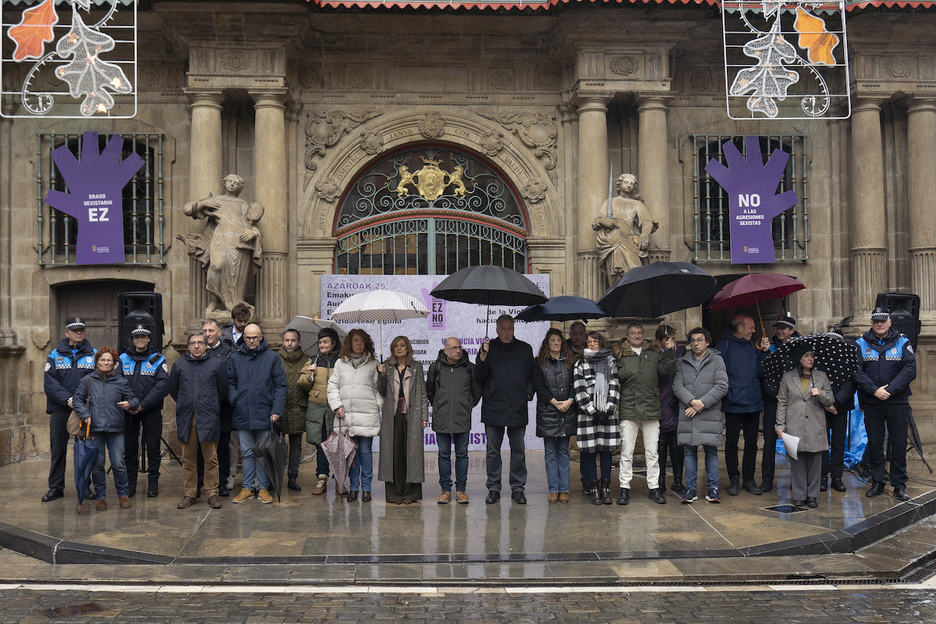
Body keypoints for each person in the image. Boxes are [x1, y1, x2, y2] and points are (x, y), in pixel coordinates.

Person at [855, 307, 917, 501]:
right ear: (871, 323)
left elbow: (910, 369)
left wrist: (889, 390)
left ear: (890, 322)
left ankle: (899, 485)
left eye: (883, 321)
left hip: (897, 401)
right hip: (872, 401)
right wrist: (875, 390)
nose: (879, 324)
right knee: (875, 443)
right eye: (876, 321)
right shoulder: (860, 343)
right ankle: (877, 482)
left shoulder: (902, 341)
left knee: (898, 444)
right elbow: (856, 371)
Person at [181, 175, 263, 315]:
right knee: (216, 266)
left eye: (236, 183)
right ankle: (214, 301)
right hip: (220, 238)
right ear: (224, 183)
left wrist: (254, 234)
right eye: (230, 181)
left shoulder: (243, 204)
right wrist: (203, 204)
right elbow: (187, 209)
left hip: (239, 243)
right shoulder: (216, 200)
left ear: (240, 187)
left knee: (235, 274)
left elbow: (249, 224)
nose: (232, 184)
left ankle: (235, 304)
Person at [615, 321, 676, 505]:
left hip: (650, 407)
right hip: (629, 407)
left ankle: (654, 488)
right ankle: (624, 488)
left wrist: (670, 351)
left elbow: (666, 370)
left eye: (639, 332)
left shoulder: (654, 352)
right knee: (627, 452)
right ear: (627, 335)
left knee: (652, 452)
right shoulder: (620, 354)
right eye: (633, 333)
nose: (637, 335)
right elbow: (619, 375)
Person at [475, 314, 534, 505]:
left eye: (510, 328)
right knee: (493, 451)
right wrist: (482, 357)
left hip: (517, 406)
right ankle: (493, 488)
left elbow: (532, 377)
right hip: (494, 407)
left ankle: (518, 488)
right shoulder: (487, 348)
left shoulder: (525, 349)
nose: (507, 332)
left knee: (518, 451)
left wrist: (527, 394)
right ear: (496, 330)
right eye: (503, 328)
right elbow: (479, 376)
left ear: (514, 329)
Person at [72, 347, 140, 511]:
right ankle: (101, 497)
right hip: (94, 429)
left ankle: (123, 495)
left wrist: (130, 404)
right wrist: (83, 413)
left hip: (115, 429)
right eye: (102, 360)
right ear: (97, 362)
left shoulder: (121, 382)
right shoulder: (87, 380)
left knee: (118, 463)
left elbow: (134, 400)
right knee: (98, 464)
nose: (106, 362)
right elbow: (77, 400)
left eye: (109, 360)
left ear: (115, 363)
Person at [168, 332, 229, 510]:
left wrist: (209, 404)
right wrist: (187, 403)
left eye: (200, 343)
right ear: (188, 346)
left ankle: (212, 493)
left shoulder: (216, 364)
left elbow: (222, 390)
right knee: (188, 458)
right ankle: (190, 493)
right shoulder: (179, 365)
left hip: (208, 418)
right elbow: (174, 389)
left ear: (206, 345)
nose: (196, 346)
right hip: (186, 417)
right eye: (193, 343)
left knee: (211, 458)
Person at [227, 324, 287, 504]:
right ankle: (246, 487)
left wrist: (276, 410)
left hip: (265, 412)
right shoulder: (235, 358)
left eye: (254, 337)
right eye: (248, 338)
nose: (251, 341)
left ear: (261, 337)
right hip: (242, 412)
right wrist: (235, 399)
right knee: (246, 452)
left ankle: (262, 487)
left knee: (264, 452)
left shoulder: (272, 357)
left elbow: (280, 386)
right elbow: (229, 382)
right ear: (243, 338)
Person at [42, 316, 97, 502]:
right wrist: (68, 399)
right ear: (67, 333)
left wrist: (80, 402)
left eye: (81, 329)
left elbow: (96, 381)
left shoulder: (94, 354)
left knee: (84, 449)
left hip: (83, 409)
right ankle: (56, 488)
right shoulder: (55, 355)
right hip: (60, 409)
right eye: (75, 330)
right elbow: (50, 384)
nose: (79, 332)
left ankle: (84, 487)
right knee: (58, 450)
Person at [715, 314, 770, 497]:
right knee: (731, 443)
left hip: (753, 402)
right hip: (732, 403)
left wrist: (764, 353)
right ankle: (733, 478)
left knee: (752, 443)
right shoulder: (723, 346)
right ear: (740, 328)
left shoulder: (754, 347)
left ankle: (749, 479)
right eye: (751, 327)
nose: (754, 331)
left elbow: (763, 373)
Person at [775, 342, 835, 508]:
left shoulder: (821, 376)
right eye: (806, 356)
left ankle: (813, 495)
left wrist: (820, 393)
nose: (810, 359)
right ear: (798, 358)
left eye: (812, 356)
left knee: (815, 463)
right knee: (797, 462)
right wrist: (780, 424)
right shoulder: (788, 377)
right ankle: (800, 495)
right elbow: (782, 402)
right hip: (794, 425)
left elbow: (830, 400)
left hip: (816, 426)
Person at [673, 328, 729, 504]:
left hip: (709, 412)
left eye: (699, 340)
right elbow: (677, 385)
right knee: (689, 451)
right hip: (688, 414)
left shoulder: (717, 360)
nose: (696, 343)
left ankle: (713, 489)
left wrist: (701, 404)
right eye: (693, 340)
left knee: (711, 451)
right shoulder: (682, 362)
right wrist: (692, 401)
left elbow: (722, 385)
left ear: (707, 342)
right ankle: (691, 490)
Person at [327, 328, 381, 503]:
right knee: (351, 454)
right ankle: (353, 488)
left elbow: (380, 390)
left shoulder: (374, 364)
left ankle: (366, 488)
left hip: (366, 416)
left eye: (362, 341)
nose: (359, 343)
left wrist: (377, 405)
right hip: (346, 416)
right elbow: (332, 386)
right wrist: (337, 405)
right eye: (356, 340)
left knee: (365, 452)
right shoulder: (340, 363)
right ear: (350, 342)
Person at [426, 337, 480, 505]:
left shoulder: (470, 368)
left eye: (459, 347)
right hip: (441, 419)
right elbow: (430, 392)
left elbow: (476, 393)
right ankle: (445, 490)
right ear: (445, 351)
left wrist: (465, 406)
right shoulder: (436, 368)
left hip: (462, 418)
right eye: (454, 348)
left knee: (462, 455)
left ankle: (461, 490)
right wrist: (440, 406)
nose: (458, 351)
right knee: (443, 455)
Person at [119, 325, 169, 498]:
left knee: (153, 447)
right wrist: (132, 404)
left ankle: (153, 482)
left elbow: (162, 386)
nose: (140, 339)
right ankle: (130, 483)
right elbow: (119, 383)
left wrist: (142, 405)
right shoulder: (123, 358)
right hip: (128, 411)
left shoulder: (158, 359)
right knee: (130, 448)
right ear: (133, 340)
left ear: (149, 339)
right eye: (137, 337)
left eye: (143, 336)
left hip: (151, 410)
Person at [377, 336, 429, 504]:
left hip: (411, 415)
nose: (399, 348)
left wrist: (424, 416)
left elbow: (422, 393)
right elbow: (381, 390)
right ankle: (395, 494)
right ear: (392, 349)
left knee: (411, 453)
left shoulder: (416, 367)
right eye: (396, 346)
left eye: (402, 345)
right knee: (394, 453)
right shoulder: (387, 367)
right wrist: (381, 375)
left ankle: (411, 494)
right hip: (392, 415)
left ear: (408, 348)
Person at [573, 331, 621, 506]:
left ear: (601, 343)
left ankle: (605, 487)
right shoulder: (580, 364)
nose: (592, 344)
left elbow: (615, 387)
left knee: (606, 451)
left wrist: (607, 410)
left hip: (607, 415)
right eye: (589, 341)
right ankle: (593, 488)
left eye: (595, 341)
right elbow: (580, 391)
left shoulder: (610, 362)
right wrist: (594, 411)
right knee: (590, 451)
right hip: (588, 416)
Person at [533, 328, 577, 504]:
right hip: (548, 412)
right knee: (550, 452)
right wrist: (555, 402)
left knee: (563, 452)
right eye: (552, 340)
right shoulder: (539, 363)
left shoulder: (571, 362)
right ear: (547, 343)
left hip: (568, 409)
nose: (556, 343)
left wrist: (570, 400)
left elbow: (576, 383)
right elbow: (539, 386)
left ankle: (564, 489)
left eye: (559, 340)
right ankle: (553, 489)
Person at [592, 173, 659, 287]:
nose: (629, 185)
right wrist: (603, 221)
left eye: (632, 184)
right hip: (611, 241)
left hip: (628, 242)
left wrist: (645, 234)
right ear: (620, 184)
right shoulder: (609, 202)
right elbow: (595, 222)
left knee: (635, 276)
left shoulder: (636, 204)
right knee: (616, 277)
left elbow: (647, 221)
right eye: (626, 182)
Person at [299, 328, 342, 496]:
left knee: (338, 445)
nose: (322, 345)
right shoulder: (313, 360)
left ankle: (340, 478)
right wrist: (310, 375)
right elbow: (302, 383)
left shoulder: (341, 361)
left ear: (334, 343)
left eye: (325, 342)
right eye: (320, 342)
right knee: (322, 444)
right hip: (317, 408)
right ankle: (322, 478)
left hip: (335, 408)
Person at [760, 314, 799, 493]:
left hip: (794, 402)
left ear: (792, 330)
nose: (779, 330)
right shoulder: (769, 347)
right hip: (773, 401)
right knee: (769, 441)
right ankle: (767, 480)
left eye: (784, 327)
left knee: (794, 442)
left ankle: (797, 480)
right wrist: (764, 353)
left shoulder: (799, 347)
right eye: (778, 327)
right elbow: (762, 373)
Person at [199, 318, 235, 496]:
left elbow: (229, 379)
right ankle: (200, 482)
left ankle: (221, 482)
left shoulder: (229, 352)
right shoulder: (197, 351)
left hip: (222, 408)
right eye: (205, 331)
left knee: (222, 447)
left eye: (211, 331)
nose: (207, 335)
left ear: (219, 332)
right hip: (202, 410)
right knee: (200, 447)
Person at [822, 326, 857, 493]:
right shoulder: (819, 360)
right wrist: (826, 402)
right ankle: (822, 477)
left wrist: (836, 404)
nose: (832, 344)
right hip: (822, 407)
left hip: (840, 408)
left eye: (835, 341)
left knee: (838, 443)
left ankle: (837, 477)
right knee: (822, 443)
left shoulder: (849, 360)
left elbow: (851, 384)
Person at [277, 328, 311, 492]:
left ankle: (292, 477)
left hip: (298, 407)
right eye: (287, 340)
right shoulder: (275, 359)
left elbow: (309, 386)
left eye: (293, 340)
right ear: (283, 341)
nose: (290, 343)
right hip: (279, 409)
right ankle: (275, 476)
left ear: (299, 342)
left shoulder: (307, 360)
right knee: (278, 445)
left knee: (296, 445)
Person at [655, 324, 687, 496]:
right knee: (660, 445)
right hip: (661, 402)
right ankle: (659, 481)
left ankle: (677, 480)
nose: (671, 342)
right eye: (667, 339)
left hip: (677, 404)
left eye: (673, 339)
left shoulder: (681, 353)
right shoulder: (656, 355)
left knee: (677, 446)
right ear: (660, 341)